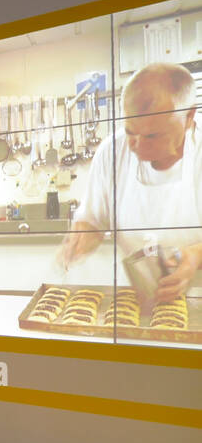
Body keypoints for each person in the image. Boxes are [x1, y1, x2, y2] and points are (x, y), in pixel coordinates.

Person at [58, 62, 201, 302]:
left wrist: (195, 255)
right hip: (137, 301)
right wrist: (82, 237)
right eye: (131, 131)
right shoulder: (111, 152)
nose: (136, 144)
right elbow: (94, 220)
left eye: (152, 135)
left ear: (188, 117)